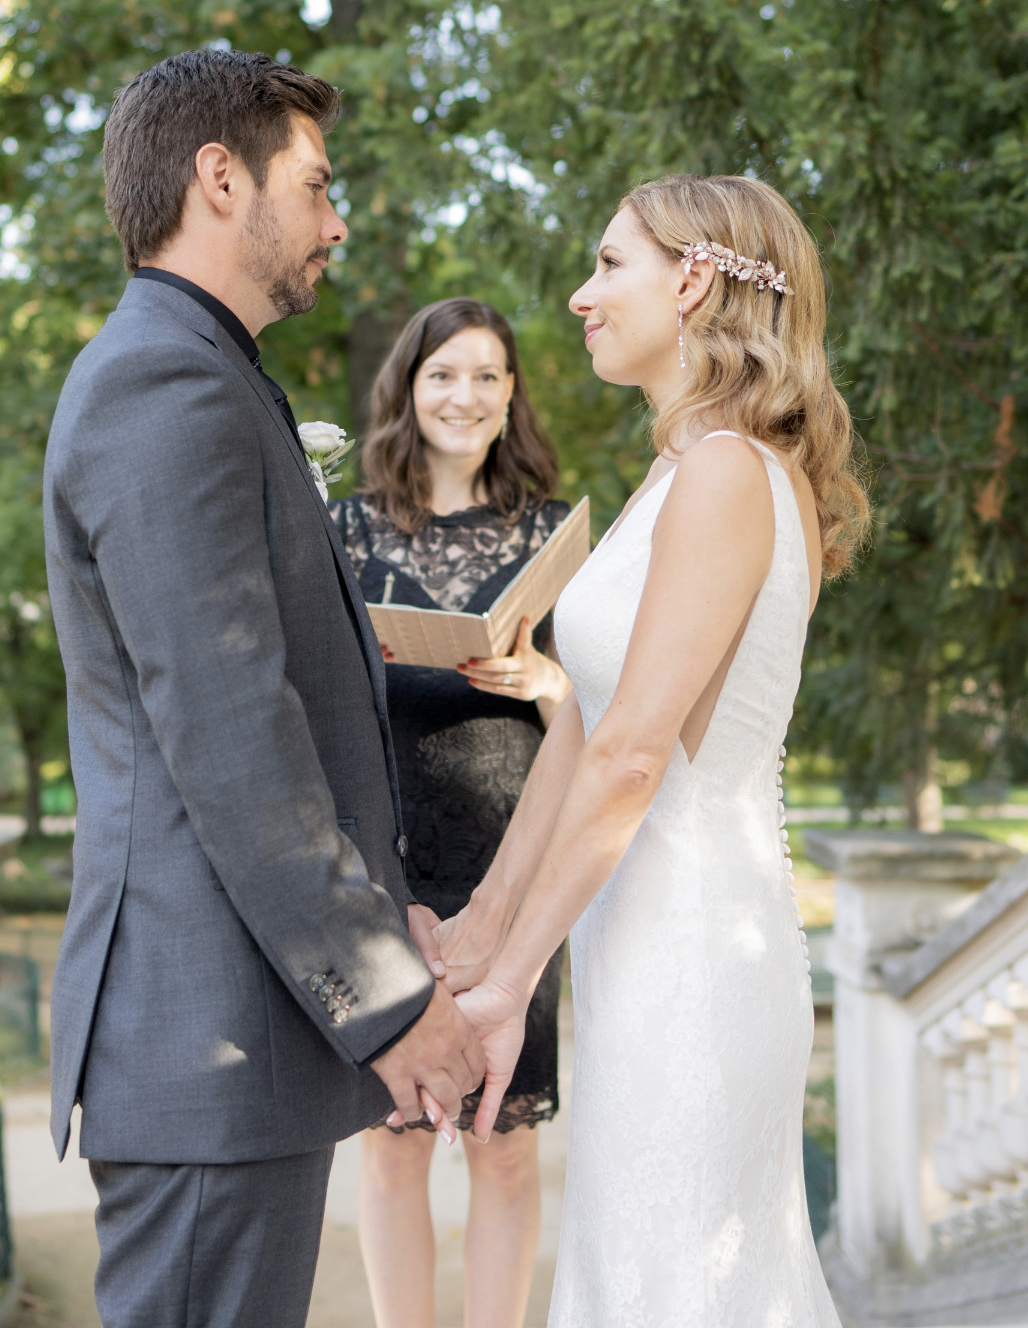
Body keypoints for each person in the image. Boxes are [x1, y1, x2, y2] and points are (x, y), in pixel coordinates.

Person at [42, 49, 484, 1328]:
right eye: (318, 184)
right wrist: (391, 1008)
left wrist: (386, 903)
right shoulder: (163, 384)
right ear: (219, 178)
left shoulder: (204, 373)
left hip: (238, 1031)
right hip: (203, 1036)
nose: (337, 222)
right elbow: (233, 733)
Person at [439, 174, 869, 1326]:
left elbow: (634, 757)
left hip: (695, 956)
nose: (581, 297)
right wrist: (481, 930)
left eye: (610, 265)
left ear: (692, 281)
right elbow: (580, 725)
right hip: (638, 946)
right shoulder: (678, 476)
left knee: (681, 1282)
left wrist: (514, 985)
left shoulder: (729, 475)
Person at [331, 297, 572, 1328]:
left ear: (511, 392)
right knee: (388, 1141)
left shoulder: (557, 532)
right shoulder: (340, 526)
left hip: (509, 861)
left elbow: (600, 713)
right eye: (443, 375)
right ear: (409, 389)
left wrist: (538, 682)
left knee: (500, 1142)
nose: (464, 395)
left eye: (485, 375)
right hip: (380, 861)